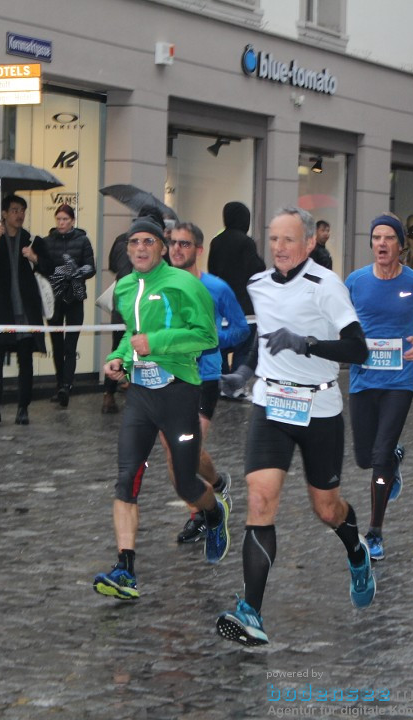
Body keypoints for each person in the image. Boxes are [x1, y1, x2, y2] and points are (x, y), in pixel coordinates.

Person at [215, 206, 373, 646]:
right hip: (270, 405)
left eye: (289, 240)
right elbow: (261, 341)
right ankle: (251, 611)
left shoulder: (327, 286)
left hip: (319, 407)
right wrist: (243, 374)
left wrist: (306, 344)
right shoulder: (258, 285)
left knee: (327, 510)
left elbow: (358, 350)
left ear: (308, 244)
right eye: (274, 239)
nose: (280, 248)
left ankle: (356, 551)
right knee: (261, 500)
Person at [94, 215, 227, 601]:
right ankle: (125, 567)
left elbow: (207, 337)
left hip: (178, 393)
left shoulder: (185, 285)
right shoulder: (123, 288)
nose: (139, 248)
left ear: (163, 247)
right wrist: (119, 359)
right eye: (133, 242)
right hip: (139, 395)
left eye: (147, 242)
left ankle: (214, 513)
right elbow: (129, 336)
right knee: (126, 478)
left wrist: (158, 341)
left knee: (184, 482)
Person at [345, 214, 413, 562]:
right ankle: (395, 457)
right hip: (362, 378)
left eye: (389, 238)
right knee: (362, 458)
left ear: (401, 245)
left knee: (379, 458)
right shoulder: (355, 281)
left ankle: (374, 531)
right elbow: (341, 322)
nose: (382, 244)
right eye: (376, 237)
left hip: (399, 381)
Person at [164, 222, 250, 544]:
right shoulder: (159, 284)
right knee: (175, 454)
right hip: (168, 376)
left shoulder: (217, 288)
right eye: (173, 243)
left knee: (185, 450)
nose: (177, 249)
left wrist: (212, 340)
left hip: (204, 377)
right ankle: (208, 496)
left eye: (184, 244)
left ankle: (207, 501)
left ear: (198, 250)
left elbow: (242, 330)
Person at [0, 193, 54, 425]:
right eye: (14, 210)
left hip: (25, 310)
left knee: (25, 358)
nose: (19, 215)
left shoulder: (30, 240)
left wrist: (35, 258)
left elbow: (50, 268)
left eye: (22, 210)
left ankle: (23, 408)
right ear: (4, 214)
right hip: (1, 309)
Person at [102, 205, 161, 415]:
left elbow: (112, 265)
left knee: (117, 347)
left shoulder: (121, 239)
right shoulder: (153, 244)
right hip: (142, 305)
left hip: (121, 304)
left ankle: (108, 395)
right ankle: (137, 392)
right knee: (143, 347)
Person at [45, 203, 96, 407]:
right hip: (55, 299)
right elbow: (44, 267)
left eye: (65, 219)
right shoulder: (48, 242)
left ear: (73, 221)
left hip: (75, 297)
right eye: (58, 219)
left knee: (70, 345)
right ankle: (60, 385)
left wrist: (76, 272)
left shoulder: (82, 240)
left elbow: (91, 267)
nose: (61, 223)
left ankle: (67, 385)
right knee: (56, 345)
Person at [207, 201, 264, 377]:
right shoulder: (246, 242)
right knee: (243, 346)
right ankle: (236, 384)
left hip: (221, 302)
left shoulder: (216, 241)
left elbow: (212, 269)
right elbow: (256, 269)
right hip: (243, 304)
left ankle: (221, 379)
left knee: (221, 344)